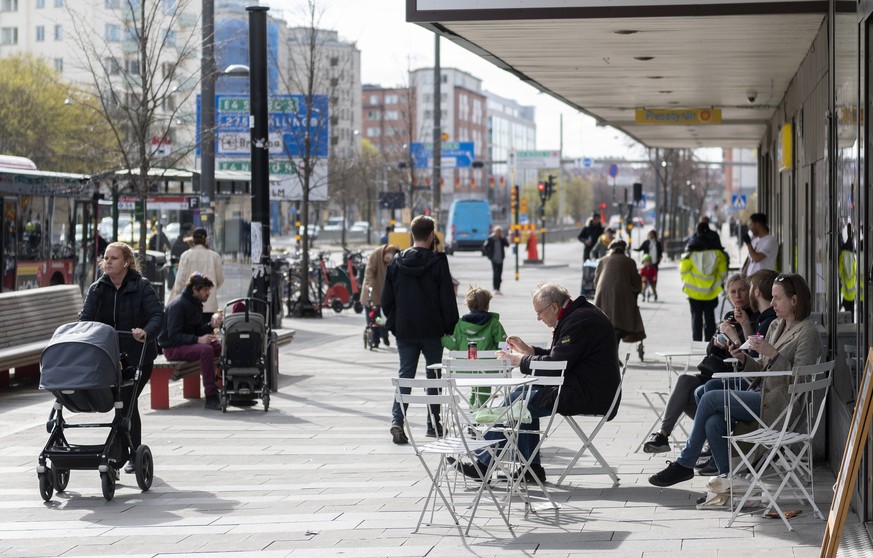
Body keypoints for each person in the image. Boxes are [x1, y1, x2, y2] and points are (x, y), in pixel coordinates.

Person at [649, 273, 823, 486]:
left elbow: (801, 379)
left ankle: (685, 463)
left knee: (710, 397)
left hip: (782, 406)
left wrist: (774, 354)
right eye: (773, 297)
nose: (773, 302)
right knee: (713, 421)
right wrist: (743, 359)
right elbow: (763, 370)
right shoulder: (776, 326)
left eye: (778, 298)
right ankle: (728, 482)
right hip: (764, 393)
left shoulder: (808, 332)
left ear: (794, 300)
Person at [454, 283, 621, 484]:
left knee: (520, 402)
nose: (539, 318)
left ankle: (486, 463)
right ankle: (528, 469)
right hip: (584, 386)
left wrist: (519, 360)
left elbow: (558, 364)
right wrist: (529, 351)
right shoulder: (576, 315)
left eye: (539, 313)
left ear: (554, 307)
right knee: (521, 396)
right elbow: (560, 357)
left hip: (588, 393)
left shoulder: (579, 321)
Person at [640, 273, 761, 456]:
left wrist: (739, 332)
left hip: (730, 379)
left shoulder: (756, 317)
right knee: (684, 380)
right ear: (728, 296)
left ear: (750, 292)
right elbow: (709, 351)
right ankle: (663, 435)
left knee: (693, 395)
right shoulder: (729, 317)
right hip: (711, 373)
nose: (738, 296)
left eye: (742, 290)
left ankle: (711, 440)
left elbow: (751, 354)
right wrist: (716, 342)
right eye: (733, 292)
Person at [79, 242, 163, 474]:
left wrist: (146, 332)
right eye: (105, 258)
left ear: (126, 262)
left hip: (138, 357)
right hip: (108, 358)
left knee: (126, 401)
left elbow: (157, 315)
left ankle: (119, 455)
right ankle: (130, 452)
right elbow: (85, 319)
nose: (107, 262)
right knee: (124, 404)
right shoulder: (98, 288)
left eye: (113, 258)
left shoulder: (141, 286)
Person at [382, 215, 459, 444]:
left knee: (405, 374)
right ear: (431, 235)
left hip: (405, 330)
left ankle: (397, 420)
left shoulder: (396, 262)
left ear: (412, 235)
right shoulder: (437, 263)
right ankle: (433, 425)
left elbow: (387, 299)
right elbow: (447, 298)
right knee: (433, 375)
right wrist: (450, 327)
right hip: (432, 330)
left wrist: (395, 323)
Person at [158, 273, 223, 410]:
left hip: (186, 345)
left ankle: (223, 386)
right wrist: (198, 340)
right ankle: (211, 397)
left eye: (208, 290)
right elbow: (174, 336)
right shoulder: (178, 305)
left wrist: (210, 326)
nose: (208, 293)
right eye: (205, 290)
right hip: (172, 348)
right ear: (194, 290)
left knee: (219, 346)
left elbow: (196, 330)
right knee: (206, 350)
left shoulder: (195, 303)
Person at [441, 286, 508, 406]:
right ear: (487, 305)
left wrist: (441, 338)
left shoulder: (461, 324)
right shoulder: (493, 323)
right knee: (482, 388)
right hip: (488, 369)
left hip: (466, 369)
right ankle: (480, 412)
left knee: (475, 388)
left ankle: (473, 413)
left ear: (468, 305)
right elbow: (503, 344)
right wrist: (505, 355)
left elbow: (454, 344)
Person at [680, 222, 728, 341]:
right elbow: (723, 273)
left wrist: (689, 282)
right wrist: (716, 283)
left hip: (693, 292)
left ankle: (696, 342)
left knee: (696, 318)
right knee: (710, 318)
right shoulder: (718, 252)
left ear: (698, 232)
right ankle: (709, 343)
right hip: (711, 291)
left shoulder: (690, 251)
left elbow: (684, 270)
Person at [594, 239, 645, 348]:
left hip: (602, 296)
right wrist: (636, 291)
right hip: (622, 295)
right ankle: (614, 353)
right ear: (624, 249)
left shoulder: (603, 260)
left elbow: (596, 281)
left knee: (607, 323)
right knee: (620, 324)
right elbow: (636, 283)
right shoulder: (629, 261)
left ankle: (611, 352)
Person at [170, 227, 224, 323]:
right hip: (209, 305)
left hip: (189, 305)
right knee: (207, 333)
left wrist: (178, 296)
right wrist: (208, 290)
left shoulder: (185, 256)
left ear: (193, 240)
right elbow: (220, 279)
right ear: (206, 240)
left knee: (191, 334)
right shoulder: (214, 256)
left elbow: (180, 281)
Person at [360, 244, 398, 348]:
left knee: (381, 318)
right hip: (371, 290)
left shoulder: (394, 259)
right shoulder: (375, 255)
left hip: (383, 292)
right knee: (372, 316)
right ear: (385, 252)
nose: (387, 262)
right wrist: (370, 285)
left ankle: (384, 335)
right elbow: (369, 272)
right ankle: (375, 340)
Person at [483, 226, 510, 295]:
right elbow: (485, 247)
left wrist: (503, 238)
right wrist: (489, 255)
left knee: (500, 274)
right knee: (496, 274)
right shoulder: (491, 238)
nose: (498, 233)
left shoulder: (501, 239)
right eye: (497, 232)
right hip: (494, 259)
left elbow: (507, 245)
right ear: (495, 232)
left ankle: (498, 288)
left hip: (501, 259)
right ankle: (495, 289)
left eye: (500, 232)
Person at [839, 223, 858, 317]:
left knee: (847, 308)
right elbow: (855, 269)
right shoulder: (852, 255)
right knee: (851, 308)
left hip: (845, 286)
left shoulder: (842, 255)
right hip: (852, 286)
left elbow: (840, 270)